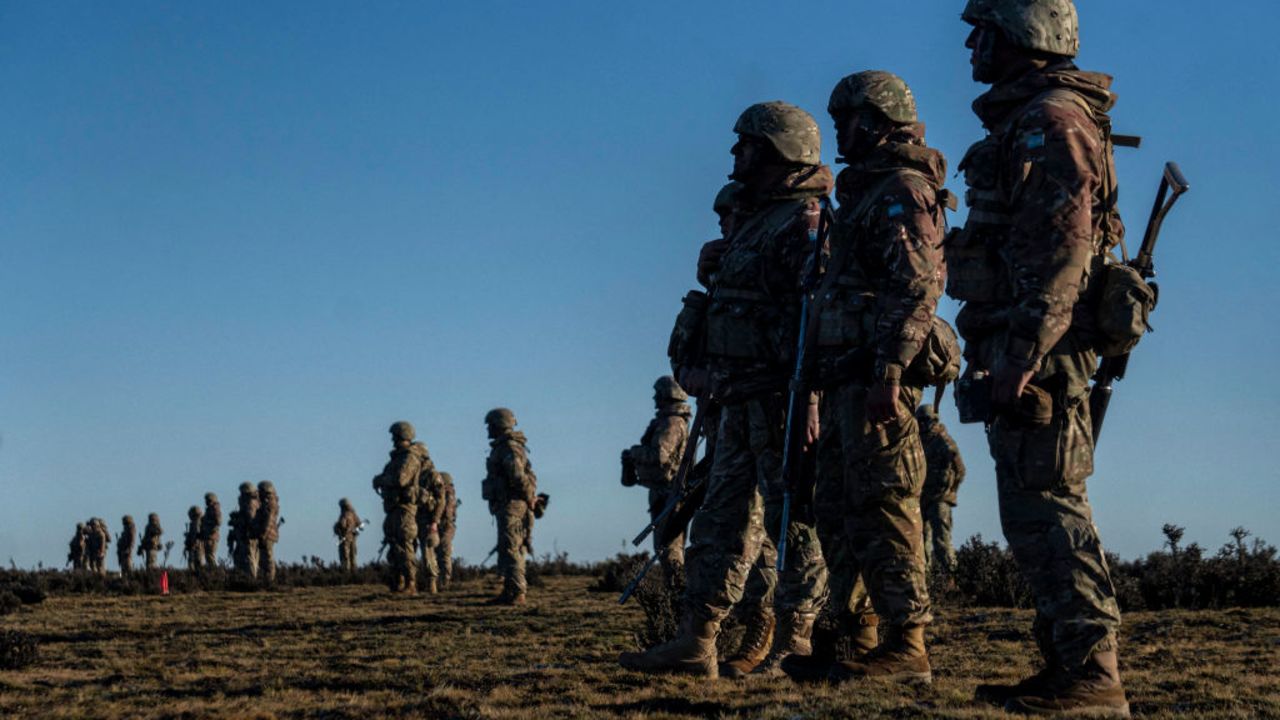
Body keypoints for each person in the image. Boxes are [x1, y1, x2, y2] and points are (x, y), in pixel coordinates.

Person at [951, 1, 1129, 714]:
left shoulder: (1052, 119)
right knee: (1032, 509)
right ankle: (1067, 665)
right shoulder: (1032, 119)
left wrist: (1025, 346)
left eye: (983, 32)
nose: (969, 46)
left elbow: (1065, 245)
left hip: (1041, 346)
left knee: (1051, 504)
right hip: (1025, 338)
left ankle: (1094, 674)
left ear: (1023, 37)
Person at [621, 101, 833, 678]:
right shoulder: (757, 222)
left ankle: (795, 643)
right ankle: (698, 640)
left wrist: (809, 400)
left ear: (780, 152)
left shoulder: (803, 222)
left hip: (780, 397)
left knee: (793, 520)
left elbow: (814, 316)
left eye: (747, 146)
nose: (735, 156)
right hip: (736, 397)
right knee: (720, 521)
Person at [781, 70, 952, 687]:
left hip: (877, 380)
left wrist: (890, 367)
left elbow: (917, 283)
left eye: (846, 121)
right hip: (845, 380)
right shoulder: (863, 194)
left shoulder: (901, 189)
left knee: (885, 508)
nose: (838, 134)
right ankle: (855, 639)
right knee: (839, 509)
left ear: (876, 121)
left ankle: (908, 643)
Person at [621, 376, 692, 577]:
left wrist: (634, 452)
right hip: (663, 492)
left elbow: (660, 455)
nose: (654, 398)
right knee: (664, 548)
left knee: (669, 549)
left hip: (669, 492)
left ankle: (678, 596)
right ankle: (676, 595)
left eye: (658, 393)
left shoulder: (672, 423)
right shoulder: (668, 421)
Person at [482, 408, 537, 605]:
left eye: (491, 425)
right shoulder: (503, 447)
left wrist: (529, 496)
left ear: (499, 424)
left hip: (513, 504)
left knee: (512, 548)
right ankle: (510, 591)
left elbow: (517, 476)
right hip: (507, 503)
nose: (488, 429)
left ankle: (517, 592)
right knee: (508, 547)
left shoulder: (509, 448)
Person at [372, 421, 430, 594]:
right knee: (394, 546)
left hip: (405, 509)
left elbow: (401, 479)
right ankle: (399, 582)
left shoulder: (409, 457)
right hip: (393, 508)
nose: (392, 440)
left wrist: (382, 480)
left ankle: (410, 583)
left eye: (394, 436)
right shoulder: (397, 458)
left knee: (405, 546)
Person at [917, 405, 965, 577]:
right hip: (922, 498)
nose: (922, 424)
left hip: (939, 498)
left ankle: (953, 578)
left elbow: (960, 469)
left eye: (925, 420)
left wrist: (950, 491)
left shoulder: (943, 441)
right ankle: (928, 582)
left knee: (942, 541)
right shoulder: (918, 441)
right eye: (920, 421)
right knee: (921, 543)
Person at [416, 463, 446, 594]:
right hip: (417, 517)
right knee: (423, 551)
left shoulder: (432, 475)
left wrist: (434, 521)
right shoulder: (416, 475)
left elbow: (441, 500)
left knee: (428, 550)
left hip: (428, 519)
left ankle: (432, 584)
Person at [229, 482, 260, 577]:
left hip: (247, 534)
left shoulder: (250, 503)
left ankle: (251, 579)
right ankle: (245, 578)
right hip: (244, 533)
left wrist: (238, 520)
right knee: (241, 556)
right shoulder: (250, 502)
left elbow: (250, 519)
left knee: (249, 557)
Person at [255, 481, 281, 583]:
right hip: (268, 534)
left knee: (268, 558)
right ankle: (266, 579)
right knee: (264, 558)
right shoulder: (269, 502)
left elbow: (268, 521)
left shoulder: (269, 503)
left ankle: (269, 580)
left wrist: (263, 534)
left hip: (268, 535)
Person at [436, 472, 458, 589]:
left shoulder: (448, 493)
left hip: (446, 525)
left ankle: (445, 582)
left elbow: (447, 512)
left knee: (444, 552)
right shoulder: (447, 493)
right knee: (440, 553)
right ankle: (441, 581)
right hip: (445, 525)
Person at [334, 498, 362, 573]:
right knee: (353, 556)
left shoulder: (344, 515)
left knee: (345, 556)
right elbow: (360, 525)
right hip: (352, 538)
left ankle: (347, 573)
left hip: (345, 538)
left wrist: (336, 528)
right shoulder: (354, 515)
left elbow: (342, 525)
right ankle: (354, 573)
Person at [200, 492, 222, 568]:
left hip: (211, 536)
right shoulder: (209, 509)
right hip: (208, 536)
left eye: (208, 500)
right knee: (208, 556)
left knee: (210, 556)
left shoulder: (214, 509)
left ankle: (214, 572)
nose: (206, 502)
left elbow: (218, 522)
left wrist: (207, 522)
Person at [184, 506, 204, 570]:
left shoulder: (196, 523)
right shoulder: (197, 523)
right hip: (196, 545)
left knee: (194, 562)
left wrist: (192, 543)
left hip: (196, 546)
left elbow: (196, 534)